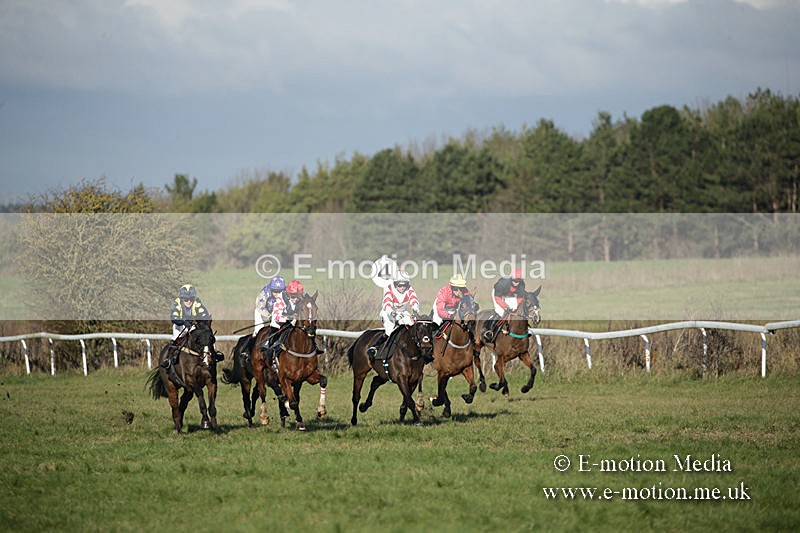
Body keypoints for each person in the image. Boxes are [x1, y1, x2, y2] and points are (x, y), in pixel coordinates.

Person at [367, 270, 420, 358]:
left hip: (402, 312)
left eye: (404, 285)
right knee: (390, 331)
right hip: (388, 313)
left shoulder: (409, 288)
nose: (402, 287)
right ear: (395, 283)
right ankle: (375, 348)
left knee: (413, 327)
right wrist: (394, 314)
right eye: (399, 285)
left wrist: (415, 308)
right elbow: (387, 305)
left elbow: (414, 299)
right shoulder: (389, 289)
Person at [164, 284, 213, 367]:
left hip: (194, 326)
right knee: (175, 339)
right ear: (182, 298)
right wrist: (184, 322)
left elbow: (204, 315)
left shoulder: (197, 302)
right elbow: (174, 317)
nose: (189, 301)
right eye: (186, 299)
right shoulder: (178, 303)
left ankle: (214, 353)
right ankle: (169, 359)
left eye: (191, 299)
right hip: (180, 326)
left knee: (207, 335)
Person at [481, 268, 527, 343]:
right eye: (515, 281)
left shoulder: (522, 284)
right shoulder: (502, 284)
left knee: (514, 311)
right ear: (511, 278)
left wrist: (515, 306)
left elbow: (520, 298)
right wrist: (505, 307)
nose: (517, 283)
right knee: (500, 312)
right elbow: (498, 298)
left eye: (519, 281)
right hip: (498, 295)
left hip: (510, 295)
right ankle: (489, 330)